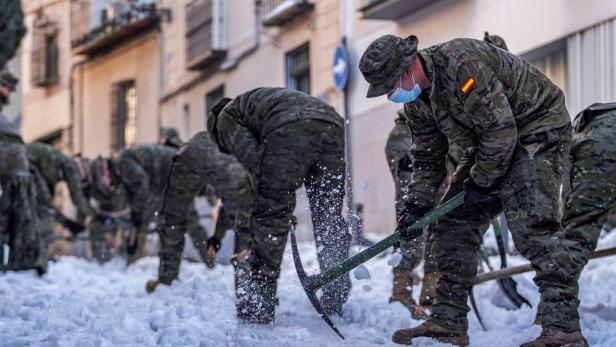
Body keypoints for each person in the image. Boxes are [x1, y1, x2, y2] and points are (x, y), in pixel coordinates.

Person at [360, 35, 576, 346]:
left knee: (532, 225)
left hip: (536, 130)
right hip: (489, 142)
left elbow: (501, 130)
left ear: (407, 68)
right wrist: (417, 205)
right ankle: (447, 321)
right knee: (452, 222)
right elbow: (427, 153)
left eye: (390, 85)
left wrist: (482, 182)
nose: (391, 94)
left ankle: (563, 327)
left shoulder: (462, 64)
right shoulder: (417, 101)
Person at [385, 32, 511, 319]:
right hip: (412, 140)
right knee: (415, 213)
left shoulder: (482, 84)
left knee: (441, 215)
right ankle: (401, 289)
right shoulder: (462, 69)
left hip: (443, 143)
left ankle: (431, 291)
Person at [207, 87, 351, 323]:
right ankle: (336, 294)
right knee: (328, 215)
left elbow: (256, 165)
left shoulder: (225, 119)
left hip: (290, 127)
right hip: (331, 122)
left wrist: (278, 204)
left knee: (269, 214)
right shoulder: (255, 105)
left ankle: (258, 305)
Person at [146, 131, 254, 292]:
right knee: (245, 221)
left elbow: (225, 209)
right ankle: (251, 293)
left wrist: (217, 236)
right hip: (217, 161)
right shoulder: (242, 155)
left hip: (189, 158)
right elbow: (235, 209)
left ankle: (166, 281)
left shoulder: (213, 142)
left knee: (173, 223)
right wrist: (217, 236)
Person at [0, 71, 44, 273]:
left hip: (13, 174)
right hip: (11, 172)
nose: (8, 94)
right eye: (6, 88)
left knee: (11, 218)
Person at [26, 142, 98, 242]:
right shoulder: (70, 167)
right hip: (22, 164)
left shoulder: (53, 165)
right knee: (45, 221)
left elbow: (46, 205)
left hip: (19, 163)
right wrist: (97, 215)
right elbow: (77, 199)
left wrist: (67, 223)